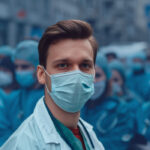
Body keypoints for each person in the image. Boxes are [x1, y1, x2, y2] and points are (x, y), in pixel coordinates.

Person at [1, 20, 104, 150]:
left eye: (85, 65)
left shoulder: (88, 135)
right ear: (42, 73)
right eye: (63, 65)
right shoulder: (25, 142)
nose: (76, 76)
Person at [81, 54, 139, 150]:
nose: (93, 81)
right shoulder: (76, 109)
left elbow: (117, 144)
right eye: (88, 75)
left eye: (98, 75)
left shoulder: (121, 111)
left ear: (107, 79)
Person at [0, 40, 43, 146]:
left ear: (39, 68)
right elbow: (4, 131)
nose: (19, 71)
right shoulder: (13, 98)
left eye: (25, 67)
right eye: (16, 67)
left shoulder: (51, 99)